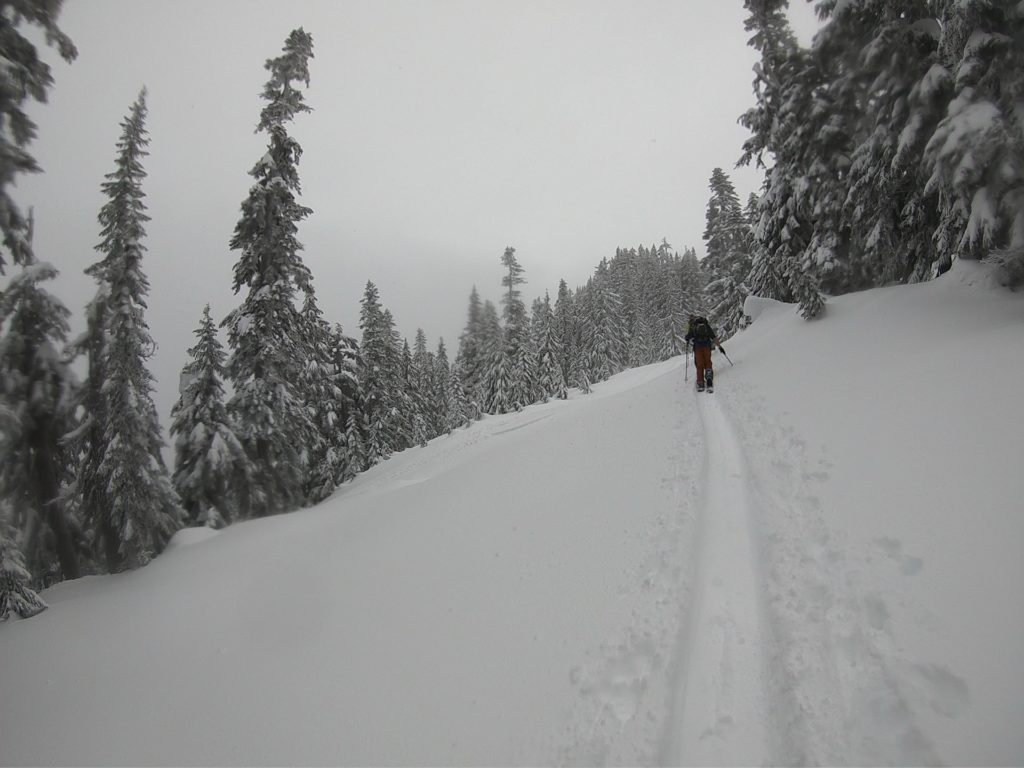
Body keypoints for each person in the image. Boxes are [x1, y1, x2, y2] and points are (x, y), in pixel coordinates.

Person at [684, 314, 720, 392]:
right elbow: (713, 336)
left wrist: (687, 338)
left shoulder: (694, 326)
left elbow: (687, 337)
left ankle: (700, 382)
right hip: (707, 346)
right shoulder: (706, 326)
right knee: (708, 362)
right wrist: (719, 346)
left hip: (698, 348)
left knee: (700, 364)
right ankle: (709, 380)